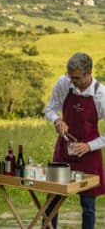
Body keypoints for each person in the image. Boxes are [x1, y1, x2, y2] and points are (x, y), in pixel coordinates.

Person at [45, 52, 105, 229]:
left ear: (89, 73)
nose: (72, 81)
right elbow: (50, 108)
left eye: (77, 78)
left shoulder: (101, 95)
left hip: (89, 156)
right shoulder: (64, 82)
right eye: (70, 77)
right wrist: (57, 120)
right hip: (64, 151)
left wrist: (89, 146)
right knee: (52, 199)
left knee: (88, 206)